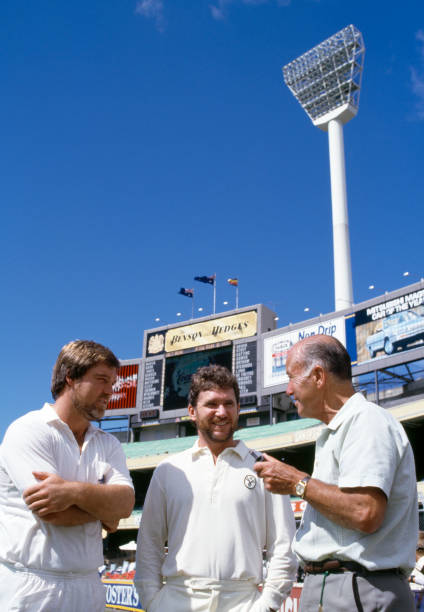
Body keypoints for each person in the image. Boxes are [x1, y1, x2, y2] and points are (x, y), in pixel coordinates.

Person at [255, 334, 418, 611]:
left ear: (318, 376)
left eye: (291, 377)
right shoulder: (340, 429)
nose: (288, 390)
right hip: (338, 585)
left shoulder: (367, 421)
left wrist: (297, 482)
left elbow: (364, 512)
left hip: (359, 588)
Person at [135, 364, 297, 612]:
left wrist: (267, 605)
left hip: (243, 602)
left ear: (238, 408)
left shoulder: (264, 467)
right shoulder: (168, 470)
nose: (222, 412)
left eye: (229, 404)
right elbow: (149, 545)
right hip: (177, 600)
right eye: (211, 404)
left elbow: (283, 545)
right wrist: (153, 602)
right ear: (192, 411)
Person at [0, 340, 135, 612]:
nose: (110, 391)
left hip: (89, 585)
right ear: (70, 377)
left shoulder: (108, 443)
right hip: (32, 584)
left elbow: (126, 504)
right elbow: (53, 514)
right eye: (101, 380)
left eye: (112, 382)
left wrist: (74, 493)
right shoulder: (29, 430)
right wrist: (105, 513)